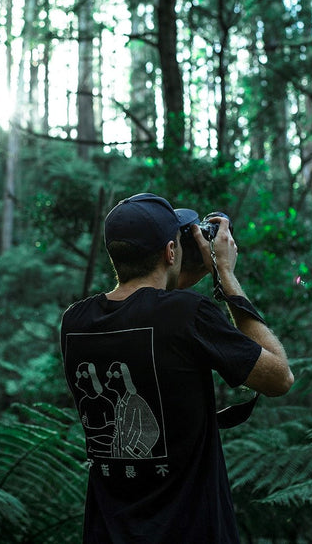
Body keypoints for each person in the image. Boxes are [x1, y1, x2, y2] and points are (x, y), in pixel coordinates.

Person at [60, 192, 294, 543]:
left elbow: (149, 307)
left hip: (107, 533)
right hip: (192, 530)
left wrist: (181, 272)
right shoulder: (189, 315)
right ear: (171, 252)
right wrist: (225, 275)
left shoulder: (75, 322)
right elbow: (279, 378)